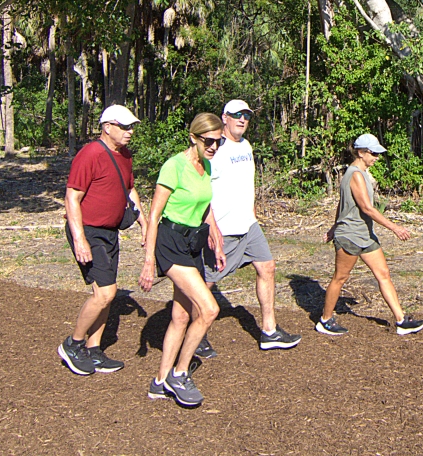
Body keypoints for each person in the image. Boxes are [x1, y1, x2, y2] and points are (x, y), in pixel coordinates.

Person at [194, 100, 300, 358]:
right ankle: (194, 334)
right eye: (236, 115)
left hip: (248, 224)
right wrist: (211, 227)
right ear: (225, 118)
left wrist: (253, 214)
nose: (242, 119)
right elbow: (202, 189)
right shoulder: (214, 148)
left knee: (267, 267)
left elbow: (246, 184)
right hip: (222, 227)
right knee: (206, 282)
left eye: (246, 116)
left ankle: (269, 331)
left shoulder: (246, 146)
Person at [139, 112, 227, 407]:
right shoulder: (173, 166)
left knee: (181, 316)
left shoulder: (208, 166)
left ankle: (160, 382)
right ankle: (180, 372)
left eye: (220, 141)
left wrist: (214, 233)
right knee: (210, 308)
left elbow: (205, 203)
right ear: (194, 137)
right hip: (170, 242)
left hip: (193, 243)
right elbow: (154, 214)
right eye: (209, 141)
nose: (214, 146)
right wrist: (148, 261)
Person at [58, 104, 144, 376]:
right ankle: (73, 344)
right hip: (89, 230)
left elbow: (130, 189)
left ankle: (94, 351)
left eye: (131, 126)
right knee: (104, 293)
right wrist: (80, 238)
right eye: (124, 126)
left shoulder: (125, 155)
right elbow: (72, 197)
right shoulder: (91, 154)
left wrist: (144, 222)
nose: (129, 132)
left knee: (108, 294)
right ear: (107, 127)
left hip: (110, 232)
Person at [316, 133, 423, 337]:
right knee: (340, 278)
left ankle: (401, 321)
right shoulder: (355, 174)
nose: (376, 157)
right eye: (373, 153)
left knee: (383, 274)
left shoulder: (362, 174)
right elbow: (367, 208)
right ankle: (325, 320)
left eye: (377, 153)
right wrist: (395, 228)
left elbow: (342, 203)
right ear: (360, 152)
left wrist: (333, 226)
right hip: (350, 235)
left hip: (366, 235)